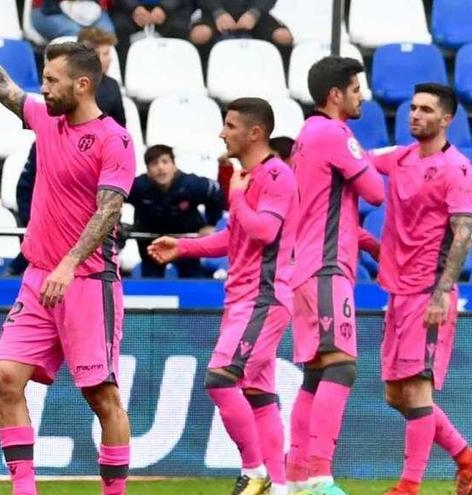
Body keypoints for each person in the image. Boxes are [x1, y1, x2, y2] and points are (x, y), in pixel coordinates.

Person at [0, 1, 136, 494]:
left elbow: (109, 211)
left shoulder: (113, 140)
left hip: (87, 283)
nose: (43, 88)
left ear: (82, 84)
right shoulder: (46, 120)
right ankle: (24, 489)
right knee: (5, 378)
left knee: (102, 397)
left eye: (52, 80)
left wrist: (70, 265)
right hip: (39, 278)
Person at [149, 98, 297, 495]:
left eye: (229, 125)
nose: (221, 132)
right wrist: (183, 248)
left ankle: (255, 472)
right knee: (260, 395)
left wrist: (235, 198)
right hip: (244, 301)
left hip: (263, 299)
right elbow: (235, 237)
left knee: (219, 379)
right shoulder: (251, 177)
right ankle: (279, 487)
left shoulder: (277, 176)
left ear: (254, 133)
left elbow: (264, 231)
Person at [286, 56, 385, 495]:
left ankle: (297, 478)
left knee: (316, 373)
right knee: (341, 367)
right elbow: (376, 193)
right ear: (336, 95)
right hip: (327, 269)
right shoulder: (333, 132)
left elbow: (333, 209)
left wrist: (371, 246)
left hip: (308, 267)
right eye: (355, 88)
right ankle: (321, 476)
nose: (361, 95)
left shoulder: (306, 135)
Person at [368, 83, 472, 495]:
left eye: (426, 110)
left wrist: (443, 293)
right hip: (397, 290)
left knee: (418, 387)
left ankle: (408, 486)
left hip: (430, 292)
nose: (414, 115)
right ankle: (466, 458)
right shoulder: (401, 158)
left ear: (446, 119)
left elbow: (463, 233)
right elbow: (355, 161)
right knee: (397, 394)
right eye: (412, 108)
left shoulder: (456, 169)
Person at [9, 25, 126, 276]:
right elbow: (2, 87)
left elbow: (118, 129)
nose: (108, 59)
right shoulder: (48, 123)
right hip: (53, 155)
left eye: (108, 53)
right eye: (102, 53)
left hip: (85, 267)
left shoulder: (112, 121)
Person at [127, 144, 224, 278]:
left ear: (174, 166)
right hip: (150, 244)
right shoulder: (137, 187)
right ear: (148, 170)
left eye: (165, 162)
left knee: (193, 280)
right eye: (154, 163)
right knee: (151, 283)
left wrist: (211, 223)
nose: (160, 167)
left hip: (186, 242)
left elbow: (217, 192)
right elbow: (111, 199)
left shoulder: (191, 184)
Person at [189, 0, 292, 65]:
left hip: (257, 13)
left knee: (283, 37)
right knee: (200, 34)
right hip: (212, 12)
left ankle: (282, 80)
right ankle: (202, 78)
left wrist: (254, 13)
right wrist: (218, 12)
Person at [111, 0, 193, 65]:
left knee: (181, 29)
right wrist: (134, 7)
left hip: (173, 9)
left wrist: (164, 7)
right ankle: (126, 76)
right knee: (118, 30)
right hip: (127, 9)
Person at [31, 0, 115, 42]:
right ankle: (78, 73)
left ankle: (102, 74)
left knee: (106, 33)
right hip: (47, 9)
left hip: (90, 8)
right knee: (77, 35)